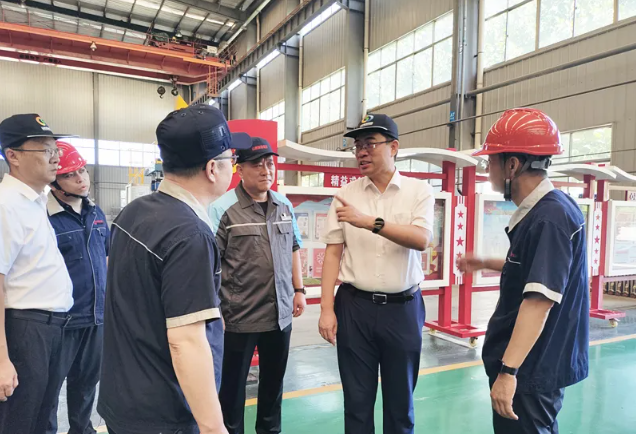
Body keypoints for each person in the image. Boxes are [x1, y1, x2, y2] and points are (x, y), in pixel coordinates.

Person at [97, 105, 251, 434]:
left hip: (122, 397)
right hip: (164, 413)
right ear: (213, 168)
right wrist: (214, 427)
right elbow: (186, 342)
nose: (234, 166)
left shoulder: (133, 212)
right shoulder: (189, 235)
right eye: (232, 158)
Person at [457, 108, 589, 433]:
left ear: (512, 165)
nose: (488, 170)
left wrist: (508, 373)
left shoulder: (549, 219)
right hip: (533, 366)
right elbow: (537, 271)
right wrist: (486, 262)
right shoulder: (550, 209)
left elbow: (538, 301)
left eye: (491, 162)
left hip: (530, 370)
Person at [318, 114, 434, 434]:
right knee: (357, 402)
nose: (361, 152)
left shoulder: (418, 191)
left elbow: (421, 239)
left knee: (400, 404)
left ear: (393, 147)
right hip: (354, 308)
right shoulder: (345, 195)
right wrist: (326, 309)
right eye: (357, 146)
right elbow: (333, 253)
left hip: (403, 309)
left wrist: (369, 222)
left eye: (370, 144)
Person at [209, 137, 306, 434]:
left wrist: (299, 290)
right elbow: (210, 265)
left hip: (280, 315)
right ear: (239, 170)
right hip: (239, 317)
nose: (266, 170)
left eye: (270, 163)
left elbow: (293, 247)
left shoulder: (283, 205)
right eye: (257, 164)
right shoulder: (222, 209)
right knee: (232, 390)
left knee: (273, 387)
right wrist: (215, 310)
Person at [0, 114, 74, 433]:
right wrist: (2, 359)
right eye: (45, 150)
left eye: (56, 149)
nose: (56, 157)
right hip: (24, 330)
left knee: (42, 420)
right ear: (13, 156)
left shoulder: (34, 201)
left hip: (49, 329)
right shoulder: (6, 205)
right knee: (19, 421)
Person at [46, 141, 109, 434]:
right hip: (61, 321)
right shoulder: (45, 217)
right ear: (54, 182)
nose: (81, 178)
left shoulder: (97, 214)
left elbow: (107, 258)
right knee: (49, 388)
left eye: (82, 170)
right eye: (70, 174)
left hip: (96, 318)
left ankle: (82, 430)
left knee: (86, 384)